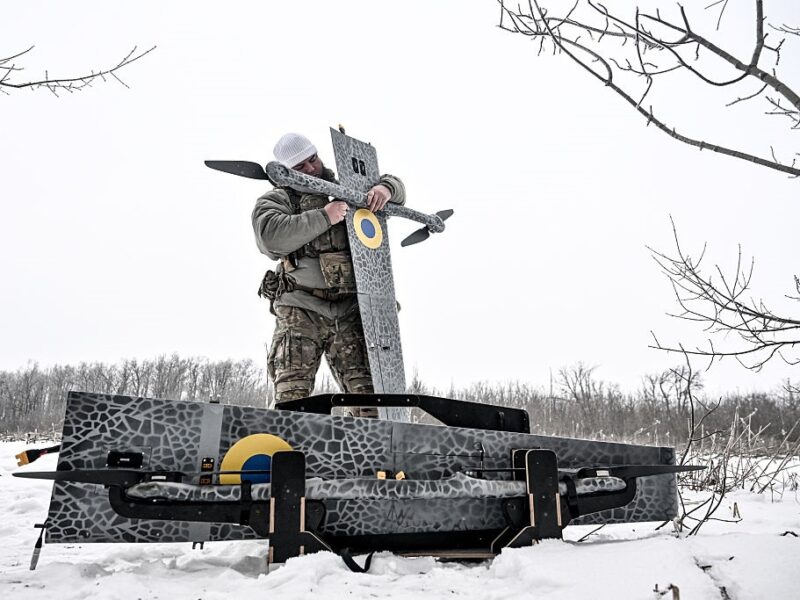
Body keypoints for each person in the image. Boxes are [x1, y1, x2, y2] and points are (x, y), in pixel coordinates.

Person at [252, 132, 405, 417]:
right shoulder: (278, 199)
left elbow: (395, 186)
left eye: (313, 159)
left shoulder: (346, 189)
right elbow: (270, 238)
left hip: (351, 310)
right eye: (301, 167)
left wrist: (386, 188)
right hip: (301, 309)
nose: (311, 169)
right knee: (292, 402)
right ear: (285, 171)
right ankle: (289, 456)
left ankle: (367, 458)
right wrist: (325, 216)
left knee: (373, 405)